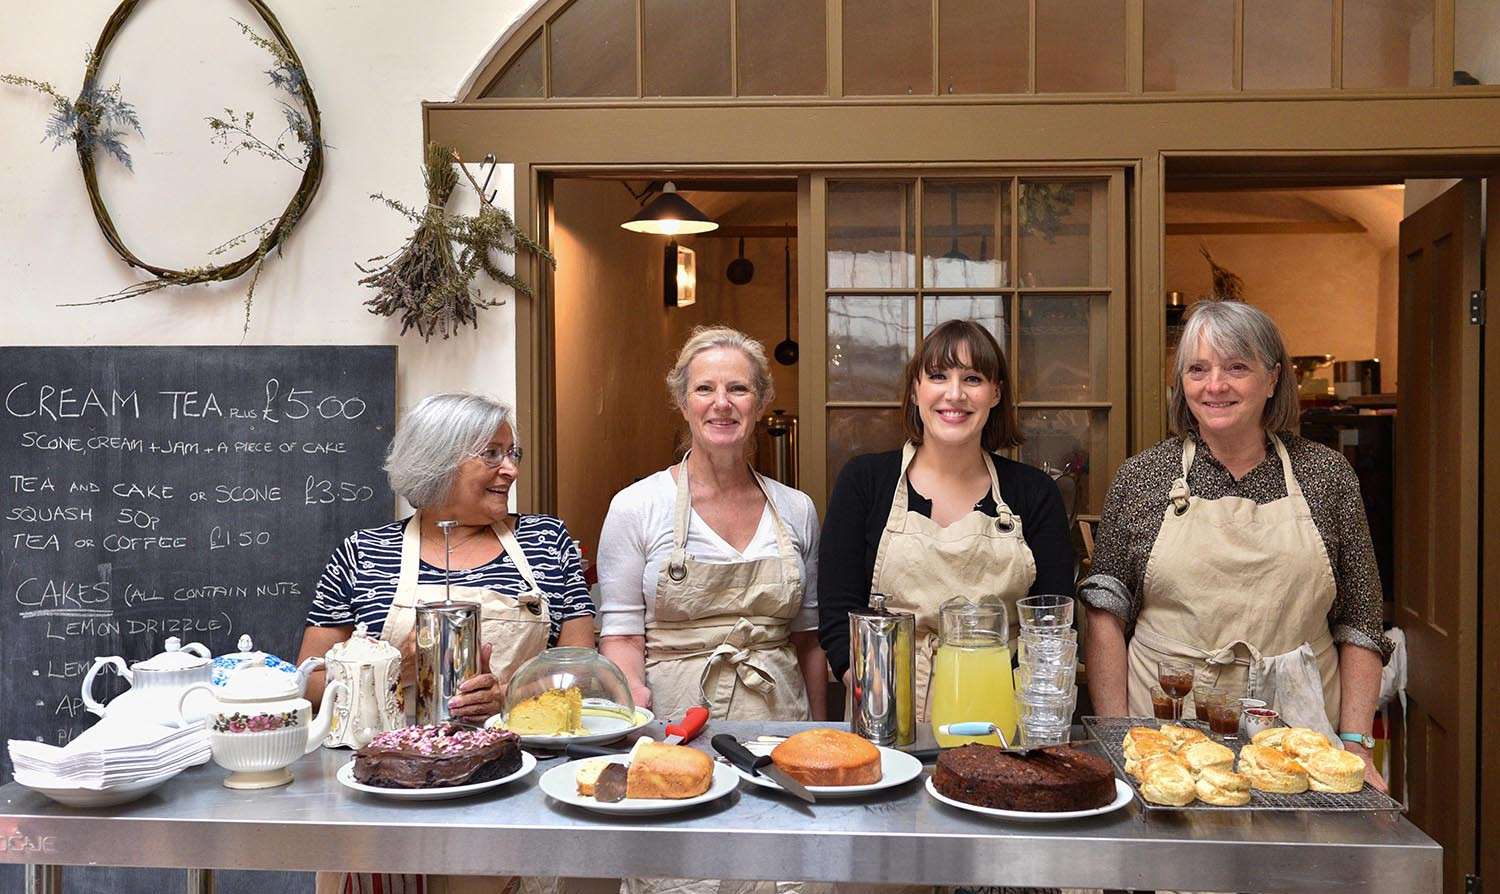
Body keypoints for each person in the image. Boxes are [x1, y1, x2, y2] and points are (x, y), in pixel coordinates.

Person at [1080, 299, 1390, 791]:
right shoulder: (1144, 476)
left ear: (1273, 380)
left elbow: (1362, 621)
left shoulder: (1326, 477)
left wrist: (1355, 746)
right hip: (1167, 735)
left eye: (1236, 367)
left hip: (1301, 742)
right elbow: (1104, 615)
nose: (1215, 385)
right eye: (1197, 369)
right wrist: (1121, 737)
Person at [298, 391, 595, 894]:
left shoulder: (547, 542)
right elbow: (308, 685)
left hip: (508, 789)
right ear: (438, 460)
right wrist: (398, 667)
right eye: (493, 454)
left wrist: (511, 700)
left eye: (512, 453)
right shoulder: (363, 553)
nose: (511, 470)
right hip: (384, 794)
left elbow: (584, 674)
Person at [818, 318, 1075, 722]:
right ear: (916, 390)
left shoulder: (1033, 492)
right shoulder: (866, 482)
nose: (954, 395)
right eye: (938, 376)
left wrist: (1002, 693)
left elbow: (1050, 620)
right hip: (887, 705)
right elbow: (837, 610)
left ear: (995, 394)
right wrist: (873, 688)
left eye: (972, 378)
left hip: (999, 707)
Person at [597, 326, 827, 726]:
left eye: (738, 389)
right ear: (683, 403)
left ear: (761, 402)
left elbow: (809, 641)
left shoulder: (797, 509)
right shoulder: (636, 507)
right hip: (672, 723)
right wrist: (634, 702)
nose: (722, 403)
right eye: (705, 389)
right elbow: (621, 636)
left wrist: (822, 732)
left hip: (782, 723)